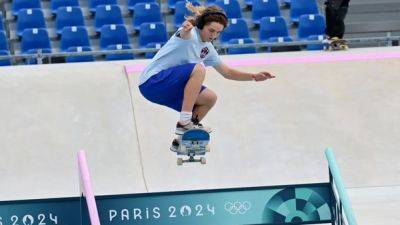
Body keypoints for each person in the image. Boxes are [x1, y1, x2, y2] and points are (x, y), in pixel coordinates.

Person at [138, 3, 275, 146]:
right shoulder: (189, 34)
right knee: (199, 69)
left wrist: (253, 76)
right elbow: (184, 33)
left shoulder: (208, 49)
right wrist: (186, 28)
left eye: (218, 33)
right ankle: (184, 122)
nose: (214, 36)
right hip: (151, 82)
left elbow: (227, 72)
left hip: (165, 88)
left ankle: (182, 139)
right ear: (202, 25)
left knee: (210, 98)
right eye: (211, 31)